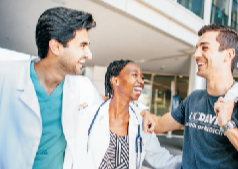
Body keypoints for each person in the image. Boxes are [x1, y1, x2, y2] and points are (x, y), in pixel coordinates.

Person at [0, 7, 155, 169]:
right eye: (82, 45)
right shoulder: (6, 76)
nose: (89, 54)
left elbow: (108, 106)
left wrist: (142, 113)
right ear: (56, 47)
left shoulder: (82, 88)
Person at [143, 24, 238, 168]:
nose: (196, 54)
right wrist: (143, 114)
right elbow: (158, 125)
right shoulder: (194, 99)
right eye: (197, 48)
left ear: (228, 54)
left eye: (205, 48)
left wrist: (228, 125)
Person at [67, 60, 182, 169]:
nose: (141, 82)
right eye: (134, 75)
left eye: (142, 77)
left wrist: (194, 163)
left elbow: (162, 160)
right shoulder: (91, 115)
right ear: (115, 81)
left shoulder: (142, 124)